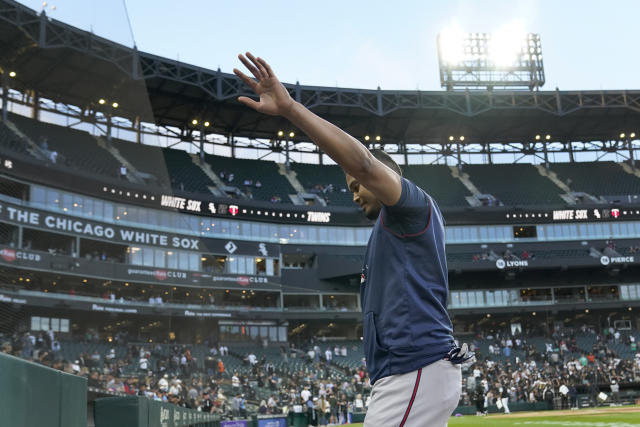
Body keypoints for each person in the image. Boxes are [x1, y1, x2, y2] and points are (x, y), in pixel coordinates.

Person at [234, 52, 471, 427]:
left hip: (414, 367)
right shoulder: (391, 230)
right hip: (411, 371)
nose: (356, 192)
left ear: (387, 177)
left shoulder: (410, 207)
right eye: (350, 188)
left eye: (359, 185)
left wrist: (290, 109)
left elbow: (362, 163)